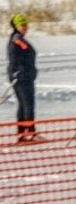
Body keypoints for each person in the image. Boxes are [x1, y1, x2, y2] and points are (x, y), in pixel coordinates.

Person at [7, 13, 38, 142]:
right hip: (22, 77)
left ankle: (21, 134)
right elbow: (15, 58)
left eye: (26, 25)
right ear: (16, 26)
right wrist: (18, 72)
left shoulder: (18, 38)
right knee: (28, 105)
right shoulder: (17, 39)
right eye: (22, 25)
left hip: (24, 76)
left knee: (23, 105)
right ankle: (30, 133)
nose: (25, 27)